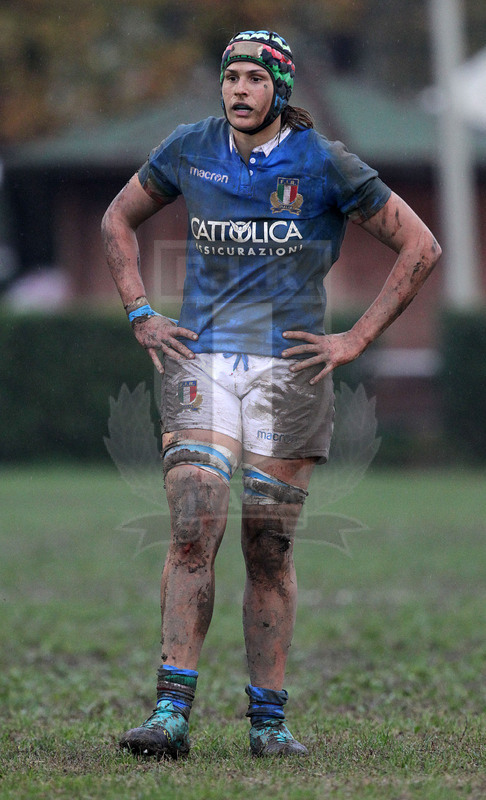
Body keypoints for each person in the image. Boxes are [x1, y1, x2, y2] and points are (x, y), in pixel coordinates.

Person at [101, 30, 441, 759]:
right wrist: (140, 309)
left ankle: (268, 723)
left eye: (256, 79)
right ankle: (169, 716)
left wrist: (355, 339)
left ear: (278, 90)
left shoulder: (323, 162)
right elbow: (116, 219)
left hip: (288, 376)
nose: (240, 90)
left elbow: (421, 246)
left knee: (268, 546)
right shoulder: (189, 147)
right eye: (232, 79)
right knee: (195, 523)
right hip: (203, 365)